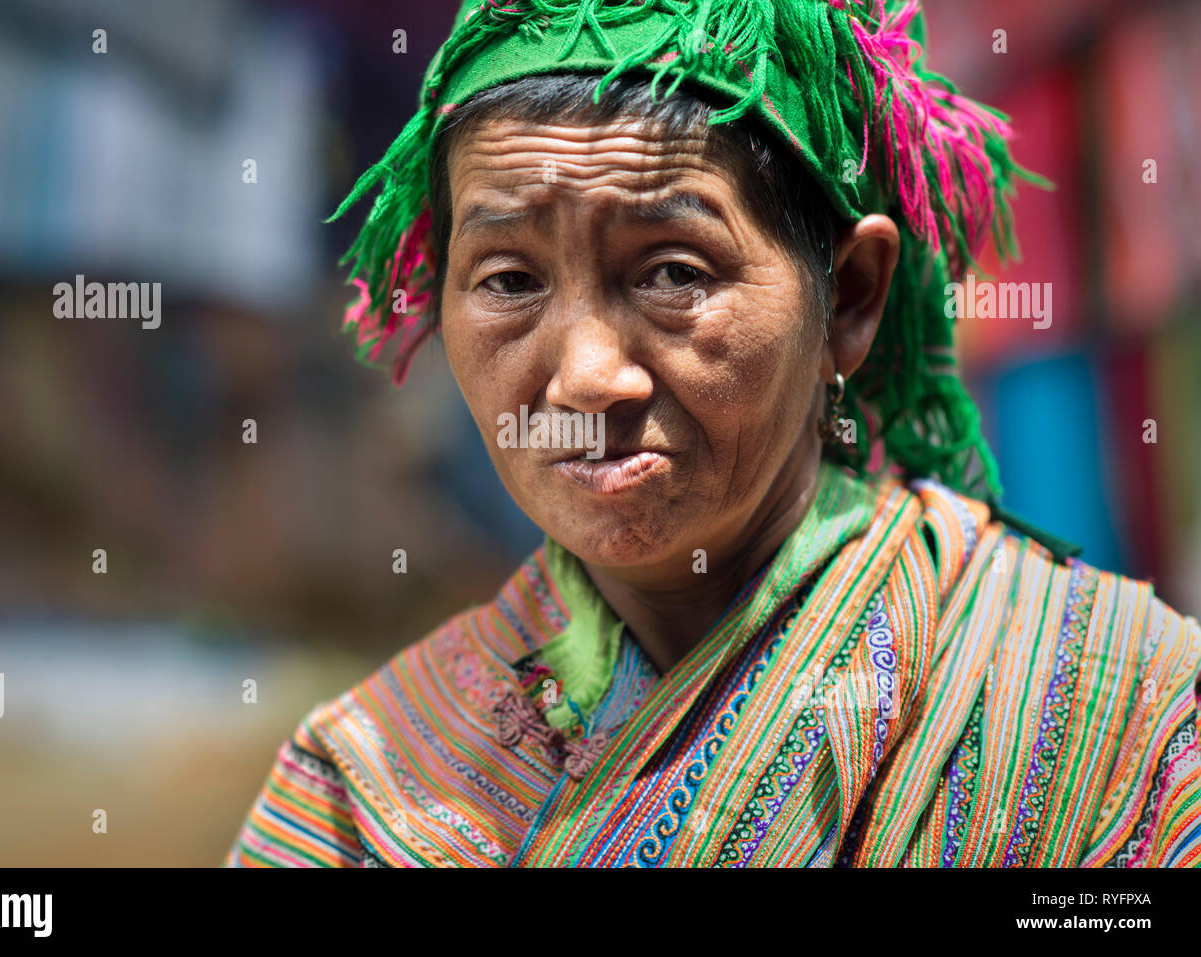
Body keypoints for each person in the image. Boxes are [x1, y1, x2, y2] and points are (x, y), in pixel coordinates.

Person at [226, 0, 1201, 867]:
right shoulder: (362, 790)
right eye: (509, 281)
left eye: (674, 273)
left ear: (849, 299)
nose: (585, 376)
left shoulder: (1113, 709)